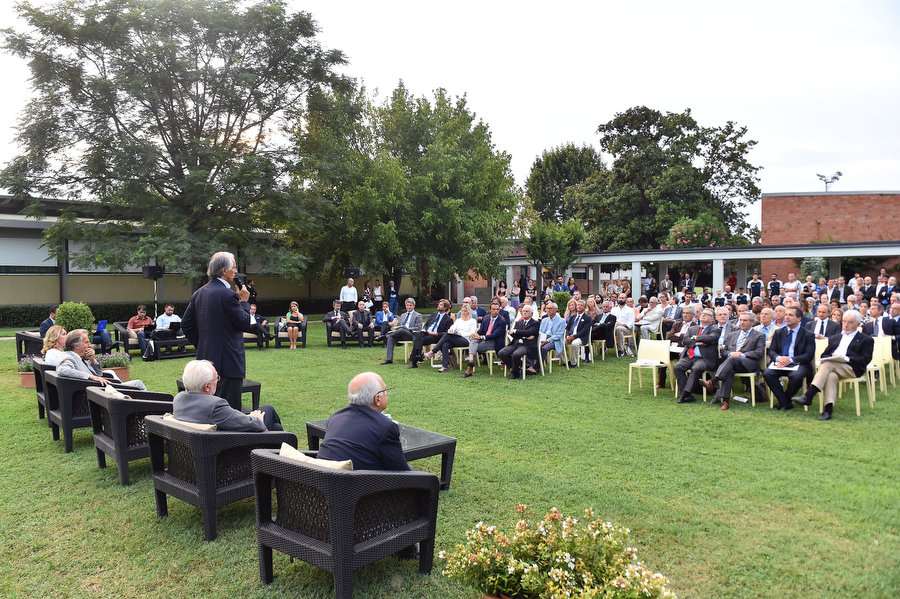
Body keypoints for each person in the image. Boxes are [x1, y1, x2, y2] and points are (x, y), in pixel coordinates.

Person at [181, 251, 256, 411]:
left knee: (207, 408)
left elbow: (186, 325)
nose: (236, 272)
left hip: (205, 361)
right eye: (234, 268)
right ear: (224, 270)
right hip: (229, 363)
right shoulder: (229, 295)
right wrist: (244, 301)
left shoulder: (199, 293)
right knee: (229, 410)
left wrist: (203, 345)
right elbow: (245, 323)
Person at [317, 372, 410, 471]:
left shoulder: (335, 417)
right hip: (361, 484)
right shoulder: (385, 427)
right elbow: (401, 471)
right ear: (377, 399)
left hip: (322, 482)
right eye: (385, 390)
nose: (387, 393)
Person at [792, 311, 874, 420]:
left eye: (850, 322)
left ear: (858, 325)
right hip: (834, 367)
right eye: (844, 321)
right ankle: (828, 411)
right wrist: (833, 356)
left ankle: (809, 395)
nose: (846, 325)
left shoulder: (866, 340)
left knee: (828, 364)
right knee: (831, 375)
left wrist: (845, 358)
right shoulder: (835, 338)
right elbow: (824, 354)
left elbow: (865, 359)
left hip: (852, 368)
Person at [173, 360, 282, 431]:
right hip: (232, 454)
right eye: (216, 379)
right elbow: (257, 426)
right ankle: (287, 460)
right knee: (268, 410)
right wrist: (256, 418)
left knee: (276, 428)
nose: (217, 381)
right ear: (207, 386)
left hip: (202, 445)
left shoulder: (179, 399)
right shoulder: (214, 406)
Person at [706, 312, 765, 410]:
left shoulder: (759, 335)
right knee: (729, 369)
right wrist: (730, 354)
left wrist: (742, 354)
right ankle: (725, 402)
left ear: (753, 322)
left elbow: (759, 352)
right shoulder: (732, 334)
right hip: (732, 363)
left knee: (733, 359)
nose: (742, 323)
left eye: (745, 320)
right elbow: (724, 351)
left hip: (749, 363)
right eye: (741, 320)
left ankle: (713, 381)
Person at [57, 329, 147, 390]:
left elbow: (99, 373)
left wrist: (93, 360)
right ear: (77, 346)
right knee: (138, 384)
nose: (90, 345)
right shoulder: (69, 357)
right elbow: (62, 370)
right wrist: (90, 376)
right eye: (87, 342)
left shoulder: (77, 357)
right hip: (101, 392)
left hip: (100, 389)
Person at [763, 306, 815, 411]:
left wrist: (791, 360)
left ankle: (784, 402)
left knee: (796, 376)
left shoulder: (808, 334)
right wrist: (779, 358)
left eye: (790, 315)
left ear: (799, 318)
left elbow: (809, 355)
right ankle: (786, 402)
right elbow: (772, 351)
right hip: (780, 362)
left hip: (799, 363)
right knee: (768, 374)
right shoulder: (779, 332)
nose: (787, 317)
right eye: (786, 314)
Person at [673, 308, 720, 404]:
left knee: (696, 369)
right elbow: (685, 340)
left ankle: (685, 394)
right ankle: (687, 395)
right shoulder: (692, 328)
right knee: (678, 367)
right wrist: (698, 343)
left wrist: (696, 338)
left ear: (712, 320)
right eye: (702, 313)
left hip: (703, 358)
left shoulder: (715, 329)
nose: (703, 315)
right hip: (689, 357)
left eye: (707, 314)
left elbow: (710, 338)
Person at [426, 303, 478, 372]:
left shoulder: (472, 321)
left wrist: (460, 333)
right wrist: (451, 330)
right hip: (456, 338)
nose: (463, 312)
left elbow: (472, 333)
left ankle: (432, 352)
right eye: (462, 311)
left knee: (447, 335)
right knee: (445, 344)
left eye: (465, 311)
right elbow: (452, 328)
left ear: (469, 312)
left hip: (466, 340)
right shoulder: (459, 320)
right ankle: (444, 366)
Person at [462, 301, 508, 377]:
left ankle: (469, 369)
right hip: (484, 340)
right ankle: (471, 360)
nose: (495, 311)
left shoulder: (502, 321)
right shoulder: (486, 319)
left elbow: (495, 335)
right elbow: (481, 331)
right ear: (490, 310)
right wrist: (476, 335)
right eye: (493, 309)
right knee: (473, 341)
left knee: (474, 346)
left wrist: (481, 337)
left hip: (494, 342)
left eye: (497, 309)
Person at [498, 304, 539, 379]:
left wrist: (516, 331)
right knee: (502, 353)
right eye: (523, 311)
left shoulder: (535, 323)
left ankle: (514, 373)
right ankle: (517, 369)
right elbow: (513, 335)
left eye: (527, 311)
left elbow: (529, 332)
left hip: (527, 345)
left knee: (516, 354)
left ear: (531, 314)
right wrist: (524, 337)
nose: (524, 313)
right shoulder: (518, 323)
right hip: (516, 343)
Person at [408, 299, 453, 368]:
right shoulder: (434, 314)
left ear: (445, 308)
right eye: (439, 304)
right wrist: (425, 329)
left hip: (435, 336)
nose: (438, 305)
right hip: (426, 333)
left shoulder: (448, 319)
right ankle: (419, 354)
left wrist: (434, 333)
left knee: (418, 339)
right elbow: (427, 324)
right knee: (417, 335)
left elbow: (445, 334)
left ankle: (415, 361)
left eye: (441, 305)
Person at [381, 298, 422, 365]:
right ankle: (389, 360)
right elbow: (399, 325)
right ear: (405, 306)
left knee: (402, 328)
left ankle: (385, 335)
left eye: (410, 305)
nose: (409, 307)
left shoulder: (418, 315)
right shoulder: (403, 315)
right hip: (399, 334)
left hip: (410, 334)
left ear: (414, 306)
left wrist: (407, 328)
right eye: (407, 305)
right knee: (391, 338)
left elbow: (418, 327)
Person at [564, 300, 592, 367]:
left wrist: (574, 336)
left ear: (585, 307)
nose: (579, 307)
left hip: (581, 337)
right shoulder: (572, 317)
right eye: (578, 305)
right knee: (560, 343)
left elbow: (585, 330)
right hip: (570, 336)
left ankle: (574, 363)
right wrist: (568, 336)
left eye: (581, 305)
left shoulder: (587, 318)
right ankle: (566, 360)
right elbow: (567, 328)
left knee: (575, 343)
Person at [539, 301, 566, 367]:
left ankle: (538, 367)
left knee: (544, 348)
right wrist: (542, 339)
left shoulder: (561, 321)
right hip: (543, 338)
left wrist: (547, 340)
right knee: (532, 346)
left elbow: (558, 335)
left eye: (550, 308)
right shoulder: (544, 320)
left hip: (554, 341)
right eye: (547, 308)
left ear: (556, 310)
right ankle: (530, 365)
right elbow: (540, 331)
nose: (548, 310)